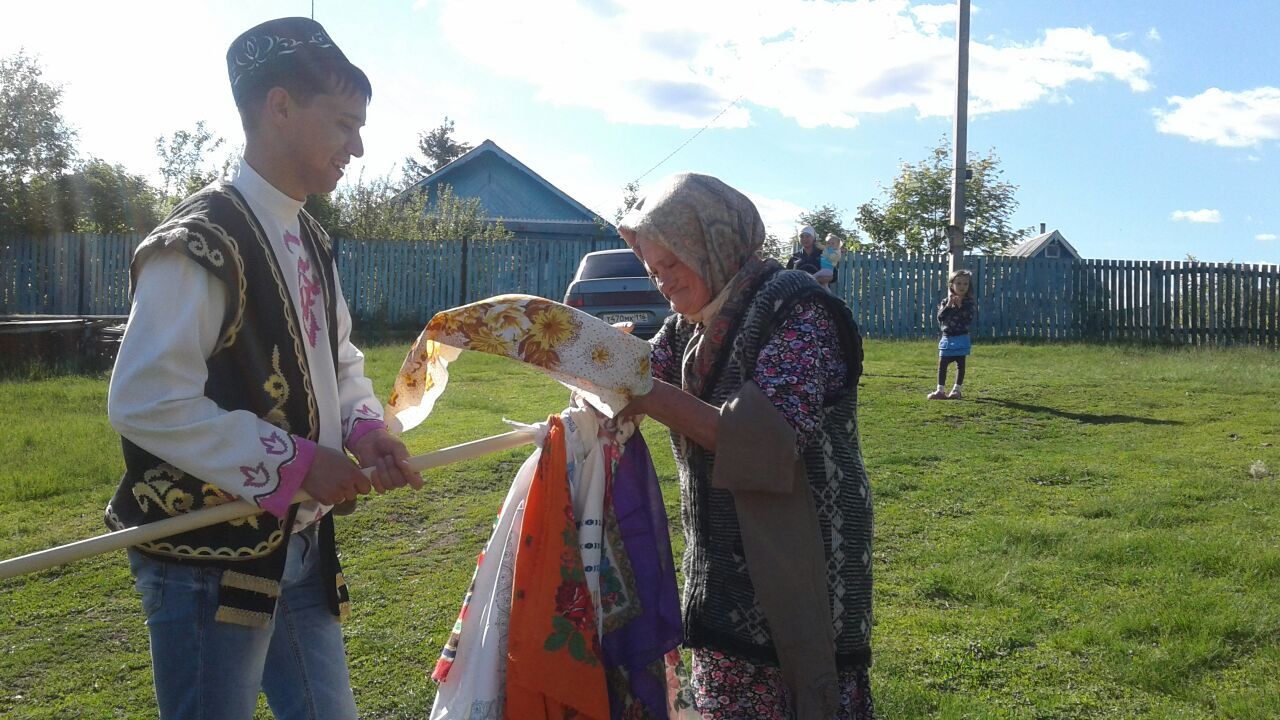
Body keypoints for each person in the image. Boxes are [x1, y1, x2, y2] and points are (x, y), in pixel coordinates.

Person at [105, 17, 421, 719]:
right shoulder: (199, 240)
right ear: (279, 106)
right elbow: (146, 401)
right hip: (203, 562)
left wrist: (367, 429)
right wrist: (299, 462)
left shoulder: (311, 234)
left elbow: (337, 359)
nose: (358, 148)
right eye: (344, 124)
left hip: (300, 546)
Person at [619, 174, 874, 720]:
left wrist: (637, 388)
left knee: (799, 693)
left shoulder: (800, 310)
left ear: (711, 246)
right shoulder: (690, 326)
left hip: (802, 557)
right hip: (724, 570)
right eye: (653, 270)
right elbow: (641, 375)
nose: (662, 283)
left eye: (672, 264)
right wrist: (603, 359)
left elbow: (763, 442)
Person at [928, 269, 977, 400]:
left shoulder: (969, 303)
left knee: (961, 364)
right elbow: (940, 317)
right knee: (942, 364)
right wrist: (949, 305)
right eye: (959, 283)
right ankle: (940, 390)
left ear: (969, 286)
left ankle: (956, 390)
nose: (962, 286)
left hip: (961, 337)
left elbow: (968, 318)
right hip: (947, 338)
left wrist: (960, 306)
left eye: (965, 284)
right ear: (952, 285)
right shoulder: (945, 301)